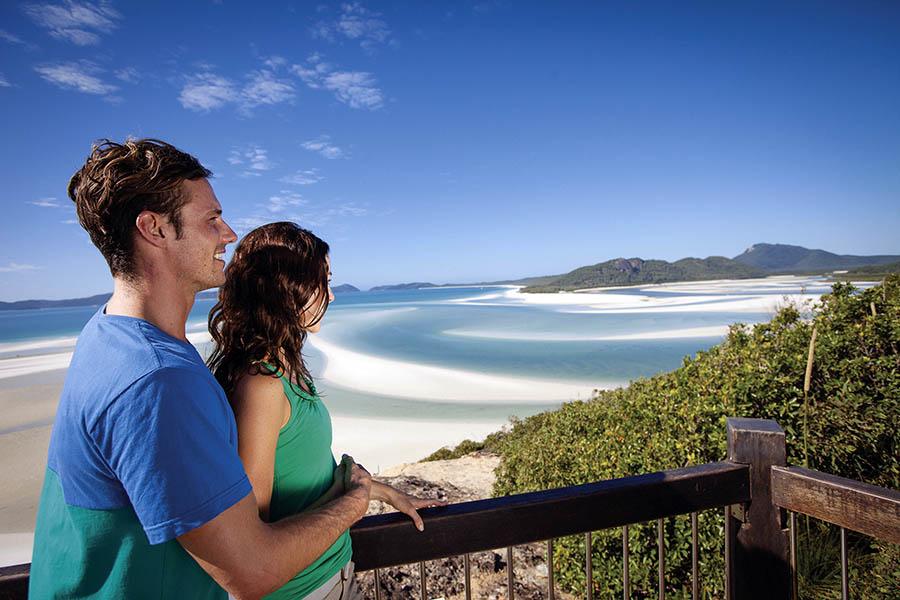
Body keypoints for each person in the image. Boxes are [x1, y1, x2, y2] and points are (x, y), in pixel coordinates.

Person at [30, 139, 372, 599]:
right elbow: (252, 571)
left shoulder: (108, 336)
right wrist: (353, 502)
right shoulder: (155, 381)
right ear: (154, 228)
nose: (228, 235)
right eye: (211, 219)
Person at [207, 222, 443, 599]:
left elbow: (306, 473)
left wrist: (384, 492)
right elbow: (251, 529)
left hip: (333, 571)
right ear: (288, 287)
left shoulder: (288, 371)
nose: (331, 296)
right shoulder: (262, 387)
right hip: (301, 589)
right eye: (324, 281)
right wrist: (353, 499)